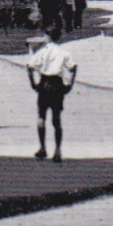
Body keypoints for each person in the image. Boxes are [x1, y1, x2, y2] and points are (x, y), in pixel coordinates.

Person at [26, 24, 78, 162]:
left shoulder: (42, 51)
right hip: (57, 85)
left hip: (44, 83)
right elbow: (73, 67)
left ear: (48, 37)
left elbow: (30, 66)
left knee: (41, 116)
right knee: (56, 119)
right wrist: (70, 85)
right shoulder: (64, 52)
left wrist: (33, 83)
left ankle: (42, 148)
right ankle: (57, 150)